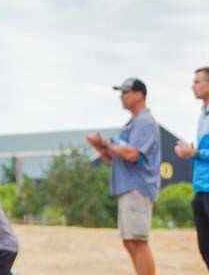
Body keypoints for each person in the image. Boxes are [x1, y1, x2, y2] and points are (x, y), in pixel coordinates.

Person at [86, 78, 160, 275]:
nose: (121, 96)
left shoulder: (144, 122)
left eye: (125, 92)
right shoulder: (132, 123)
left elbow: (133, 154)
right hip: (127, 188)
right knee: (130, 241)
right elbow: (113, 158)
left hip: (137, 188)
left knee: (138, 241)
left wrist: (106, 144)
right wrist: (100, 147)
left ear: (139, 95)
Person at [174, 67, 209, 275]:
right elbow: (203, 154)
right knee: (207, 250)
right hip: (202, 189)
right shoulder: (203, 115)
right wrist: (190, 154)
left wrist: (194, 152)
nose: (193, 86)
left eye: (197, 82)